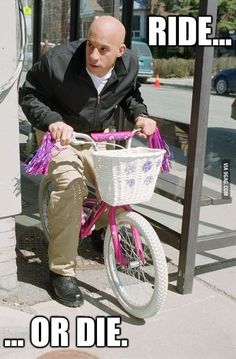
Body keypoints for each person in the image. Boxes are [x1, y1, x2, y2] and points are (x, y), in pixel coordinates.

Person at [19, 16, 157, 307]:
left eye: (104, 49)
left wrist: (141, 115)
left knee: (118, 184)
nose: (93, 55)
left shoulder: (129, 65)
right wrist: (52, 121)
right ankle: (61, 272)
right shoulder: (58, 61)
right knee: (70, 185)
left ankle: (104, 229)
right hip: (59, 134)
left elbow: (130, 95)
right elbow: (29, 94)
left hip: (97, 135)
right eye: (90, 45)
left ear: (120, 51)